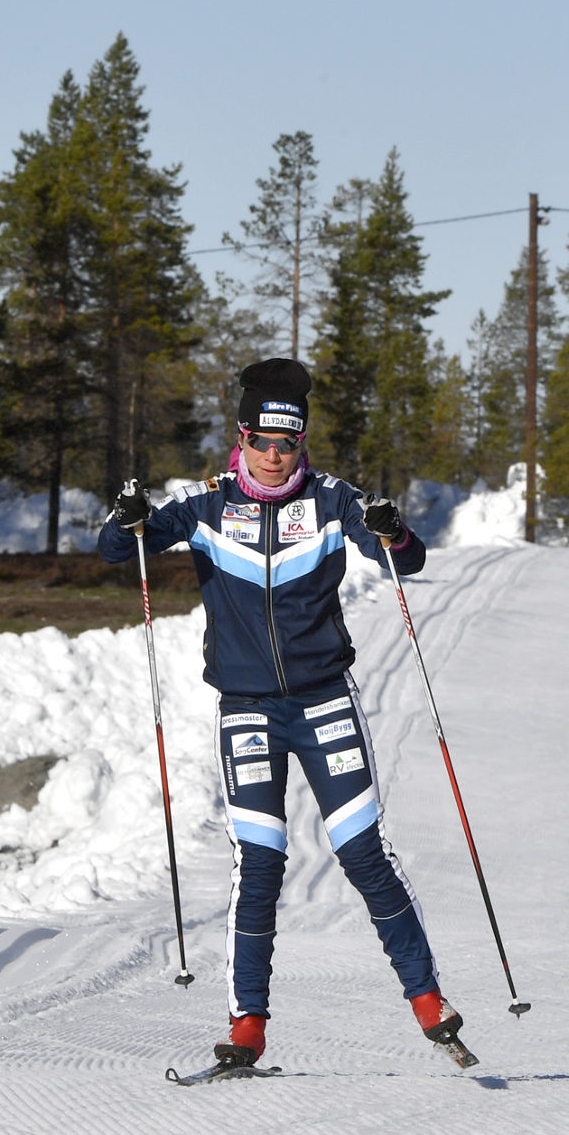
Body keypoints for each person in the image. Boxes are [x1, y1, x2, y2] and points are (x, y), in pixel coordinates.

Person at [102, 357, 463, 1071]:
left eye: (288, 443)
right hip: (247, 708)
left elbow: (407, 559)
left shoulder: (332, 500)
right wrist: (128, 517)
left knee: (363, 853)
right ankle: (246, 1026)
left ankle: (428, 1000)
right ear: (242, 436)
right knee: (259, 863)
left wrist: (392, 531)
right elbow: (118, 549)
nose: (274, 456)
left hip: (323, 700)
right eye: (262, 441)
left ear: (303, 443)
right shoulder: (205, 503)